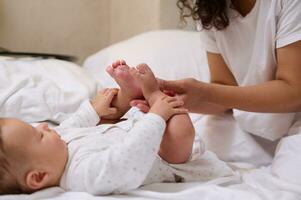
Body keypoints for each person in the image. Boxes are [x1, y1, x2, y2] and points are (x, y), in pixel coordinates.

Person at [131, 0, 301, 185]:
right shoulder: (211, 8)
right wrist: (177, 100)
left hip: (295, 119)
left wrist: (206, 93)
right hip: (251, 125)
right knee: (184, 151)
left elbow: (294, 91)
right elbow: (224, 87)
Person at [0, 62, 233, 195]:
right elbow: (125, 162)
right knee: (181, 132)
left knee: (108, 115)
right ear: (39, 177)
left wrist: (93, 110)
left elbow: (70, 125)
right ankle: (153, 94)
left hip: (131, 129)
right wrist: (156, 117)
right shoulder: (83, 175)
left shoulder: (54, 148)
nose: (43, 126)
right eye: (38, 135)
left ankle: (130, 94)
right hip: (165, 157)